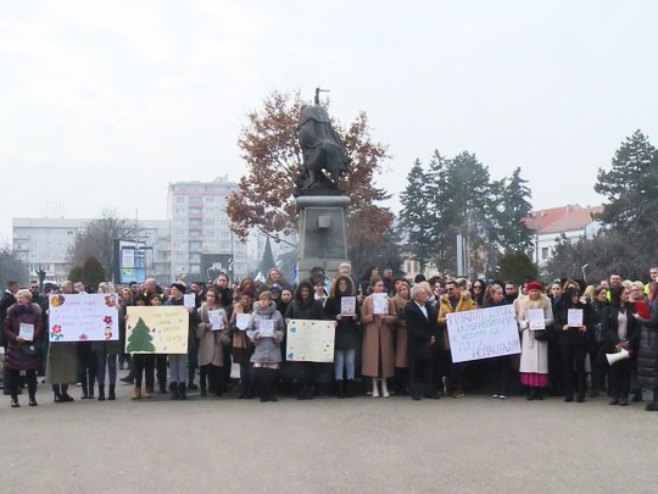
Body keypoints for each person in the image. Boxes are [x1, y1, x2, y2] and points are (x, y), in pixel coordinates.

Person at [285, 280, 326, 399]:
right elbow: (287, 316)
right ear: (299, 292)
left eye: (307, 290)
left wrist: (330, 323)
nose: (305, 293)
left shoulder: (316, 304)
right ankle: (301, 388)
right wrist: (287, 320)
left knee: (310, 366)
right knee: (299, 366)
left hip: (312, 339)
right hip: (298, 340)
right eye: (302, 290)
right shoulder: (293, 304)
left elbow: (323, 317)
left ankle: (310, 388)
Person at [3, 289, 44, 407]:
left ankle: (32, 398)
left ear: (28, 298)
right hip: (15, 347)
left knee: (31, 374)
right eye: (18, 297)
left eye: (22, 297)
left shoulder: (36, 312)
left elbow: (40, 326)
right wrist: (15, 337)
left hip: (30, 347)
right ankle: (14, 399)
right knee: (13, 374)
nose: (19, 299)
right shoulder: (11, 312)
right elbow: (6, 327)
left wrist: (31, 337)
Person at [437, 279, 476, 398]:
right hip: (450, 337)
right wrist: (448, 319)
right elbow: (439, 320)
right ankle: (457, 388)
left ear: (457, 289)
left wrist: (463, 318)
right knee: (454, 363)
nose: (449, 291)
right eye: (447, 289)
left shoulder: (467, 300)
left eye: (451, 289)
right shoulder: (443, 301)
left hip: (465, 337)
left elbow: (474, 314)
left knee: (462, 363)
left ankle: (450, 382)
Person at [601, 285, 639, 406]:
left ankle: (624, 396)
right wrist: (617, 341)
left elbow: (637, 328)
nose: (628, 295)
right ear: (618, 295)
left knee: (626, 371)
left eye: (629, 293)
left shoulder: (633, 308)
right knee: (614, 371)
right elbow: (605, 328)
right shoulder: (608, 309)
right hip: (614, 345)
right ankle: (614, 395)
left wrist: (629, 342)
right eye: (625, 293)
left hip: (628, 345)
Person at [516, 280, 554, 400]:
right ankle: (531, 389)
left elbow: (551, 318)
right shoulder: (524, 303)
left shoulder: (546, 302)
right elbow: (520, 318)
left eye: (536, 290)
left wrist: (540, 322)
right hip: (529, 335)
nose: (534, 293)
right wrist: (527, 323)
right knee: (529, 362)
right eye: (531, 290)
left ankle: (540, 389)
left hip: (541, 334)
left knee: (540, 362)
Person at [361, 277, 397, 398]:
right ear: (373, 287)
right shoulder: (367, 300)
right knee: (373, 360)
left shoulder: (389, 300)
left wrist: (385, 317)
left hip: (385, 332)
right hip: (372, 333)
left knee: (384, 360)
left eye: (382, 286)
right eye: (378, 286)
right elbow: (362, 319)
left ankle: (385, 385)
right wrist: (370, 316)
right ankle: (374, 386)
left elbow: (394, 317)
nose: (381, 288)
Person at [247, 291, 285, 402]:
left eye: (265, 299)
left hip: (273, 345)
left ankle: (271, 393)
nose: (262, 301)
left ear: (270, 301)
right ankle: (263, 394)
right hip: (260, 346)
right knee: (261, 371)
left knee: (271, 371)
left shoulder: (277, 314)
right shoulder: (254, 314)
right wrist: (255, 335)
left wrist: (277, 335)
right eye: (261, 299)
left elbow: (282, 328)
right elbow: (249, 329)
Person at [324, 276, 360, 398]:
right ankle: (339, 388)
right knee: (339, 362)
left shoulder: (353, 299)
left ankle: (350, 387)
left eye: (345, 284)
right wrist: (335, 316)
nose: (343, 286)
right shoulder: (331, 300)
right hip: (337, 333)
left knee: (350, 361)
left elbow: (359, 315)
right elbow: (325, 316)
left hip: (350, 333)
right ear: (337, 285)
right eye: (341, 284)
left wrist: (356, 317)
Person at [554, 287, 591, 403]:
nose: (576, 298)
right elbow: (555, 325)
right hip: (565, 341)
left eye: (577, 296)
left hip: (580, 341)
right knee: (567, 367)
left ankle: (581, 392)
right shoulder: (561, 307)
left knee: (580, 366)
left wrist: (586, 327)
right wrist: (562, 327)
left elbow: (592, 320)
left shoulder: (584, 306)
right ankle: (569, 392)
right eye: (573, 296)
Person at [404, 284, 440, 400]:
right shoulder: (410, 308)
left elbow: (433, 322)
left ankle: (430, 390)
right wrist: (427, 337)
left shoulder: (429, 306)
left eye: (425, 293)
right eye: (422, 293)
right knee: (415, 368)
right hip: (416, 343)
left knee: (429, 367)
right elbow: (412, 327)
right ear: (416, 296)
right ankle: (415, 391)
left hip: (429, 342)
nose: (425, 295)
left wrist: (433, 336)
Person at [46, 280, 78, 403]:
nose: (62, 289)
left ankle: (64, 392)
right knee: (55, 367)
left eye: (64, 287)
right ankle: (56, 393)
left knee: (67, 366)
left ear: (70, 288)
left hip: (69, 339)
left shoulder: (76, 301)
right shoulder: (54, 299)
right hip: (56, 339)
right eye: (61, 287)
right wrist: (48, 313)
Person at [197, 287, 230, 398]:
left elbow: (226, 326)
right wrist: (205, 326)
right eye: (209, 296)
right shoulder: (201, 309)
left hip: (216, 339)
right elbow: (197, 325)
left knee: (217, 366)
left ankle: (217, 389)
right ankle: (203, 389)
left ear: (216, 297)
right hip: (205, 339)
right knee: (203, 365)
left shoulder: (221, 310)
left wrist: (220, 327)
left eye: (212, 296)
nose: (210, 298)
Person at [92, 282, 122, 401]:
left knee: (112, 365)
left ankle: (111, 390)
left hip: (112, 338)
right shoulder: (94, 302)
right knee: (100, 365)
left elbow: (120, 320)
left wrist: (118, 310)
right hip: (99, 338)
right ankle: (101, 391)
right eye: (100, 288)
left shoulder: (117, 303)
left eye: (104, 289)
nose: (102, 290)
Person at [164, 282, 193, 400]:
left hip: (184, 337)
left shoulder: (188, 303)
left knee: (182, 362)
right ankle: (173, 386)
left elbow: (196, 318)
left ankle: (182, 386)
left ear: (181, 291)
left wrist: (190, 313)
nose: (173, 291)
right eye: (172, 289)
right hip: (171, 336)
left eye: (175, 289)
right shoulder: (167, 303)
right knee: (172, 363)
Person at [483, 283, 511, 399]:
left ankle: (503, 390)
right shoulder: (486, 306)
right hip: (491, 340)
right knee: (494, 365)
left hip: (504, 339)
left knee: (504, 364)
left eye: (502, 293)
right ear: (492, 294)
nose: (501, 296)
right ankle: (495, 389)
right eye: (499, 294)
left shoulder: (506, 305)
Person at [635, 282, 658, 411]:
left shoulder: (655, 302)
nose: (647, 293)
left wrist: (640, 319)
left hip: (654, 341)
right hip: (652, 340)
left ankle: (656, 401)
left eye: (649, 291)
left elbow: (654, 321)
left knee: (654, 372)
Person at [230, 291, 255, 399]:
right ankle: (243, 389)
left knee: (250, 366)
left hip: (250, 340)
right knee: (242, 367)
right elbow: (232, 321)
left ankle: (250, 390)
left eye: (247, 299)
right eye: (244, 298)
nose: (245, 301)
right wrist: (234, 327)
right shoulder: (237, 307)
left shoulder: (254, 309)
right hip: (239, 340)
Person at [587, 286, 609, 398]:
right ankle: (595, 387)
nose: (604, 296)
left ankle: (607, 386)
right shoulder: (591, 306)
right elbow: (589, 321)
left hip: (607, 339)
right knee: (595, 364)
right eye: (602, 293)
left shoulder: (609, 305)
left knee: (607, 363)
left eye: (605, 293)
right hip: (594, 339)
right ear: (596, 295)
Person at [391, 279, 411, 395]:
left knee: (408, 359)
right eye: (401, 290)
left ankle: (408, 384)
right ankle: (400, 385)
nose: (404, 292)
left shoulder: (411, 301)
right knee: (400, 359)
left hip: (410, 333)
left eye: (405, 289)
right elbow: (395, 317)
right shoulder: (394, 301)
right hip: (400, 333)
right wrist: (403, 323)